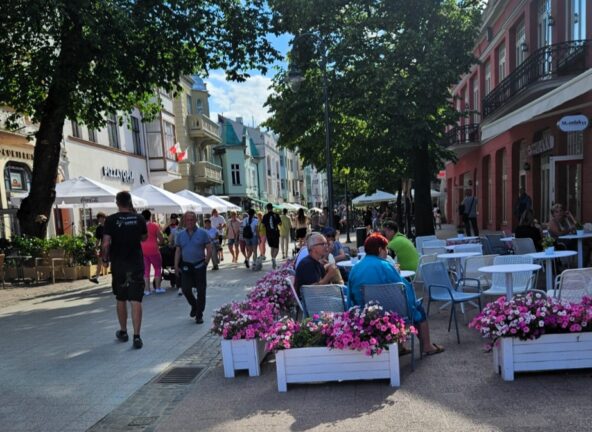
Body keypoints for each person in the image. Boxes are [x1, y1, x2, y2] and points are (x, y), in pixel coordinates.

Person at [348, 233, 444, 356]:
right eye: (386, 249)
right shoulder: (385, 266)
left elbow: (350, 294)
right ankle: (427, 346)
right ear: (379, 249)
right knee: (417, 307)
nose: (387, 252)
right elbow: (402, 289)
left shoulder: (355, 269)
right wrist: (413, 305)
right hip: (389, 312)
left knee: (396, 305)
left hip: (365, 313)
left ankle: (400, 348)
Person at [101, 191, 148, 349]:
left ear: (117, 203)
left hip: (119, 265)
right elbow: (144, 238)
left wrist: (105, 259)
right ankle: (137, 336)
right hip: (135, 263)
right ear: (130, 202)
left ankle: (123, 331)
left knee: (121, 298)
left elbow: (106, 243)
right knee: (136, 300)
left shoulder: (111, 220)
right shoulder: (139, 218)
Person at [174, 211, 212, 324]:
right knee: (185, 289)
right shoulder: (180, 235)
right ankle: (194, 305)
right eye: (187, 220)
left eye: (192, 219)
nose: (189, 222)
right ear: (184, 221)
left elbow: (209, 248)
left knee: (201, 291)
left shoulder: (203, 233)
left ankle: (199, 314)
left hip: (200, 265)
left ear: (196, 220)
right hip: (186, 266)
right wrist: (176, 265)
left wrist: (206, 262)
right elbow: (178, 251)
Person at [140, 209, 165, 295]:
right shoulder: (154, 226)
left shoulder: (139, 226)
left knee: (146, 270)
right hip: (154, 249)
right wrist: (159, 243)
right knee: (157, 268)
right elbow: (161, 238)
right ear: (150, 216)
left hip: (143, 250)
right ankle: (158, 288)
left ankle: (147, 290)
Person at [262, 203, 282, 269]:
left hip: (269, 234)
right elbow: (280, 223)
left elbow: (263, 225)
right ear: (272, 208)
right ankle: (274, 258)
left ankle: (273, 259)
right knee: (276, 247)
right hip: (275, 233)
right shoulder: (276, 215)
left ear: (267, 208)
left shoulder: (265, 216)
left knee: (272, 247)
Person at [90, 212, 107, 283]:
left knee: (112, 262)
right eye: (98, 219)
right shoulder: (99, 228)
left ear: (104, 218)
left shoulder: (109, 226)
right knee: (99, 261)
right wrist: (96, 247)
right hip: (103, 247)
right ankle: (96, 278)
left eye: (100, 218)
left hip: (111, 246)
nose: (99, 220)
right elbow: (97, 239)